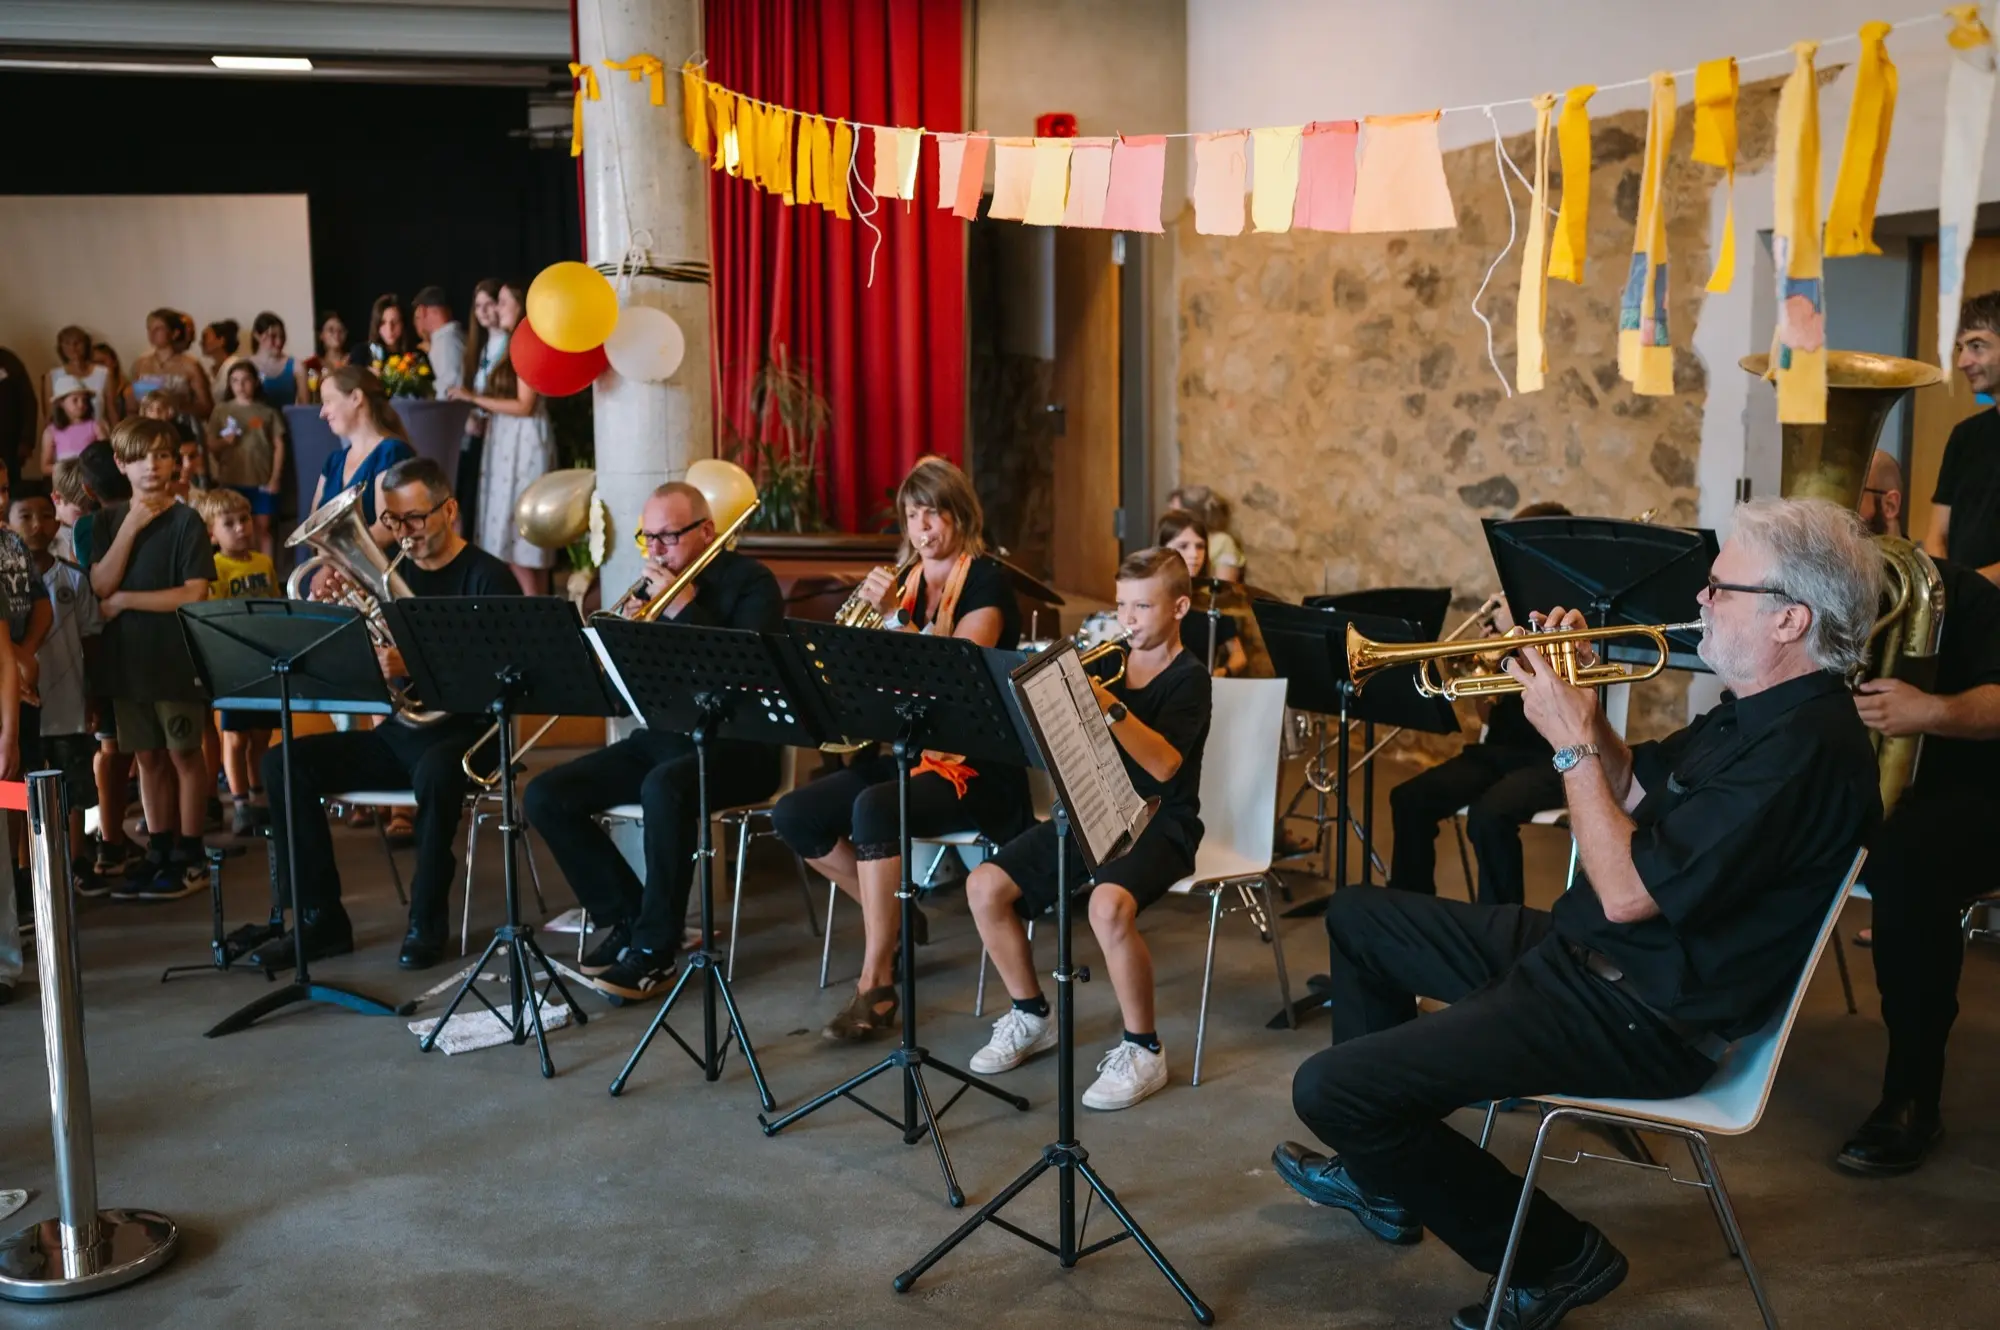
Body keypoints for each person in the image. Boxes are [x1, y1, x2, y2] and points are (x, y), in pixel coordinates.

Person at [1273, 496, 1883, 1330]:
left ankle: (1556, 1257)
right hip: (1583, 956)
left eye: (1720, 587)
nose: (1700, 599)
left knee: (1331, 1091)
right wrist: (1582, 703)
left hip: (1641, 1014)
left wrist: (1567, 745)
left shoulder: (1807, 752)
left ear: (1790, 619)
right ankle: (1385, 1181)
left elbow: (1628, 894)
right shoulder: (1752, 714)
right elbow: (1632, 789)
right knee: (1358, 918)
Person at [772, 457, 1033, 1040]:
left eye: (934, 514)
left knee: (874, 809)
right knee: (793, 814)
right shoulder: (905, 581)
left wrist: (893, 617)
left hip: (975, 766)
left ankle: (877, 982)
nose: (922, 528)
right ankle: (897, 914)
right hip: (903, 755)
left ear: (961, 516)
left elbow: (955, 674)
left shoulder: (987, 583)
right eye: (913, 516)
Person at [964, 547, 1211, 1111]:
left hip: (1163, 821)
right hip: (1092, 808)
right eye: (1121, 605)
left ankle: (1144, 1049)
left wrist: (1107, 705)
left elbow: (1165, 765)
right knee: (984, 886)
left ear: (1179, 608)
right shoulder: (1111, 660)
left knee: (1107, 906)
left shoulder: (1189, 678)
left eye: (1142, 606)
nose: (1128, 619)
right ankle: (1031, 1015)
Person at [525, 482, 785, 1000]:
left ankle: (655, 950)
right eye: (649, 538)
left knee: (664, 788)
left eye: (668, 537)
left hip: (741, 748)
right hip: (666, 740)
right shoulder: (648, 593)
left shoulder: (753, 584)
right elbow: (620, 701)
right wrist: (617, 648)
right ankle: (628, 917)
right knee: (545, 795)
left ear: (706, 531)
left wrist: (685, 609)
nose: (657, 551)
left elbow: (747, 677)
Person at [256, 457, 516, 969]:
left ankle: (427, 920)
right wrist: (341, 625)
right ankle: (319, 919)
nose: (403, 532)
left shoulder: (489, 578)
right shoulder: (390, 572)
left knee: (437, 772)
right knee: (282, 763)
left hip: (471, 735)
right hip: (402, 733)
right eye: (393, 520)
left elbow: (505, 676)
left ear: (450, 510)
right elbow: (360, 671)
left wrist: (413, 661)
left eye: (415, 518)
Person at [1834, 452, 2000, 1177]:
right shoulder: (1819, 599)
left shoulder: (1966, 595)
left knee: (1908, 863)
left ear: (1889, 504)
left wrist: (1928, 711)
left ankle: (1911, 1098)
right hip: (1855, 788)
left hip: (1973, 795)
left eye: (1847, 500)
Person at [1386, 501, 1573, 907]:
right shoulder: (1511, 608)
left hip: (1554, 757)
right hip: (1497, 752)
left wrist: (1519, 641)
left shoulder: (1572, 614)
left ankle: (1501, 930)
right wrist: (1490, 664)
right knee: (1409, 799)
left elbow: (1564, 696)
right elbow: (1488, 714)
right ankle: (1410, 919)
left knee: (1489, 817)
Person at [88, 418, 214, 901]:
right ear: (121, 464)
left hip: (174, 657)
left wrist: (125, 602)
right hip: (129, 660)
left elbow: (193, 593)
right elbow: (100, 584)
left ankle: (191, 851)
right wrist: (133, 524)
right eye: (140, 457)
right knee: (147, 756)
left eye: (162, 455)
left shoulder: (186, 521)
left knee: (184, 753)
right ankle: (159, 848)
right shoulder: (107, 522)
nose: (152, 466)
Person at [10, 484, 101, 897]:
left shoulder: (73, 577)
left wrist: (94, 696)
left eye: (46, 515)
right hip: (20, 707)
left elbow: (91, 640)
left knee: (72, 789)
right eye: (25, 516)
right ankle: (25, 869)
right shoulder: (8, 581)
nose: (37, 525)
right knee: (20, 791)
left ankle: (75, 860)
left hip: (68, 703)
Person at [446, 279, 551, 594]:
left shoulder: (527, 342)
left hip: (522, 442)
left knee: (520, 541)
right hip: (505, 439)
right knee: (510, 541)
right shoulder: (508, 344)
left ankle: (535, 610)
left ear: (520, 306)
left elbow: (524, 405)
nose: (496, 308)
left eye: (503, 302)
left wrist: (472, 398)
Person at [196, 488, 277, 837]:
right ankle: (240, 801)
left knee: (261, 735)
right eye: (229, 523)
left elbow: (274, 604)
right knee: (235, 737)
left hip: (264, 660)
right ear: (212, 533)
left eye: (244, 519)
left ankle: (259, 795)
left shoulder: (264, 563)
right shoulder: (214, 568)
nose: (241, 528)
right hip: (234, 664)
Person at [1927, 291, 2000, 583]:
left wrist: (1967, 589)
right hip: (1962, 602)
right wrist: (1946, 589)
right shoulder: (1964, 436)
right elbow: (1937, 533)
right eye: (1961, 348)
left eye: (1977, 346)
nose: (1962, 362)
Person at [308, 365, 415, 542]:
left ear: (356, 398)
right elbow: (313, 527)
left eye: (328, 401)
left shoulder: (392, 452)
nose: (322, 413)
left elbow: (387, 529)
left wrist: (332, 557)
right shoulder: (334, 461)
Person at [207, 360, 286, 556]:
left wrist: (275, 478)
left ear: (256, 382)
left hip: (261, 480)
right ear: (229, 384)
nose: (240, 386)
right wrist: (225, 442)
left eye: (246, 380)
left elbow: (279, 446)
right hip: (231, 480)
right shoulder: (221, 410)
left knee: (262, 528)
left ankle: (266, 570)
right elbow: (210, 445)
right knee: (235, 530)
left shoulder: (268, 412)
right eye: (235, 381)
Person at [1157, 508, 1248, 676]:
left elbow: (1239, 656)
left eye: (1200, 546)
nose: (1194, 554)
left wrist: (1222, 671)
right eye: (1183, 546)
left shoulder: (1213, 600)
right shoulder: (1149, 597)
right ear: (1164, 550)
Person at [456, 279, 505, 535]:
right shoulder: (481, 346)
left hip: (501, 434)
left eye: (489, 304)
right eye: (478, 306)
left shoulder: (509, 343)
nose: (483, 311)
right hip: (478, 435)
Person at [131, 309, 212, 419]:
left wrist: (176, 406)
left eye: (159, 328)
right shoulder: (140, 364)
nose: (152, 333)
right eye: (149, 328)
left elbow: (206, 407)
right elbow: (134, 404)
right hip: (147, 424)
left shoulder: (190, 365)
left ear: (174, 333)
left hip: (180, 424)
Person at [42, 326, 117, 429]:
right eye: (67, 343)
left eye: (77, 342)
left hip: (99, 434)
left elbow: (111, 411)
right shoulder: (52, 376)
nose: (73, 347)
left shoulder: (104, 373)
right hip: (64, 436)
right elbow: (50, 415)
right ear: (61, 347)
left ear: (86, 344)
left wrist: (118, 435)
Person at [1167, 484, 1243, 583]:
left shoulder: (1223, 541)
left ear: (1194, 513)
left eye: (1176, 512)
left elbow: (1225, 585)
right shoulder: (1174, 536)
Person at [41, 376, 107, 472]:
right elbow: (45, 467)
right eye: (75, 400)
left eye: (84, 400)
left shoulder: (95, 427)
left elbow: (106, 455)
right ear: (61, 403)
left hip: (91, 478)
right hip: (64, 480)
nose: (81, 404)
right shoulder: (51, 431)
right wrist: (66, 469)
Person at [413, 286, 465, 396]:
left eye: (417, 318)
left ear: (423, 311)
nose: (416, 325)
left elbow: (449, 390)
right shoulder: (452, 338)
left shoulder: (446, 342)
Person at [247, 312, 298, 412]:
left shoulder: (296, 366)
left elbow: (303, 408)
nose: (279, 342)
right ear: (257, 336)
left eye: (282, 336)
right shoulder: (245, 366)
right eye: (273, 336)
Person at [301, 311, 354, 402]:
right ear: (321, 335)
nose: (336, 334)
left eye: (340, 330)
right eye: (331, 330)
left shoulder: (354, 360)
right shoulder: (311, 364)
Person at [50, 458, 92, 563]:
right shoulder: (50, 538)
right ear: (56, 498)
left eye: (92, 509)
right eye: (80, 512)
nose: (89, 515)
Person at [365, 293, 419, 368]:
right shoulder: (362, 354)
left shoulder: (416, 356)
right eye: (383, 323)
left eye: (395, 322)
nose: (389, 329)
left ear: (403, 323)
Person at [201, 319, 247, 404]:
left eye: (205, 337)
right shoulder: (209, 371)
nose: (201, 342)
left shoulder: (235, 365)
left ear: (221, 341)